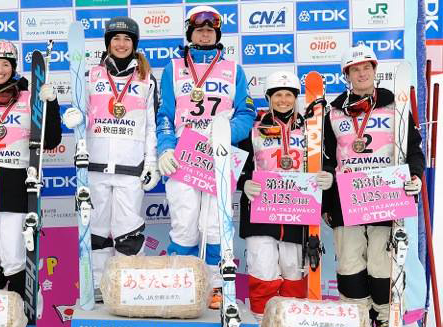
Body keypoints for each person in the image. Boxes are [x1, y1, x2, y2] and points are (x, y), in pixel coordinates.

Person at [156, 5, 256, 309]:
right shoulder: (173, 68)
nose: (204, 34)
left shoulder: (233, 69)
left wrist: (225, 131)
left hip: (218, 156)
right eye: (199, 30)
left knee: (215, 225)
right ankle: (183, 284)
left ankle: (216, 286)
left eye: (210, 30)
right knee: (185, 224)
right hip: (184, 156)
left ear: (217, 34)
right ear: (190, 33)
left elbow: (247, 112)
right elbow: (164, 114)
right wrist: (165, 148)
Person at [322, 44, 424, 327]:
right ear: (347, 74)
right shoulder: (333, 112)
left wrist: (414, 175)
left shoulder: (396, 105)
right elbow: (326, 160)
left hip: (385, 196)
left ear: (375, 71)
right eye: (356, 69)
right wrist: (327, 201)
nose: (362, 73)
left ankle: (383, 318)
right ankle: (356, 320)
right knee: (349, 265)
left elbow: (414, 150)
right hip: (346, 199)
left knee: (382, 266)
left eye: (367, 67)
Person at [61, 17, 160, 302]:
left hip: (131, 169)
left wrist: (151, 162)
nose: (121, 44)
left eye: (127, 39)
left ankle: (129, 289)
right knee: (97, 231)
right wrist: (75, 116)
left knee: (129, 233)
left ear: (134, 44)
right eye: (115, 39)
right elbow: (81, 113)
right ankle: (99, 288)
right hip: (95, 167)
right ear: (107, 43)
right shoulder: (91, 75)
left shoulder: (145, 79)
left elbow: (151, 125)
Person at [0, 39, 61, 299]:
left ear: (13, 67)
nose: (0, 70)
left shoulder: (30, 96)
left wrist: (50, 104)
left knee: (15, 260)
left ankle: (22, 313)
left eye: (5, 64)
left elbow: (51, 140)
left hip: (16, 189)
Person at [237, 71, 333, 320]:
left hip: (297, 214)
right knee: (262, 272)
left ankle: (290, 321)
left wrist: (327, 176)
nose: (283, 100)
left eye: (288, 95)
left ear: (295, 97)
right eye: (277, 95)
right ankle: (262, 321)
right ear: (269, 98)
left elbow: (327, 160)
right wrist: (244, 182)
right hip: (260, 212)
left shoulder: (311, 129)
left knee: (293, 273)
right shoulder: (253, 127)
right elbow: (234, 163)